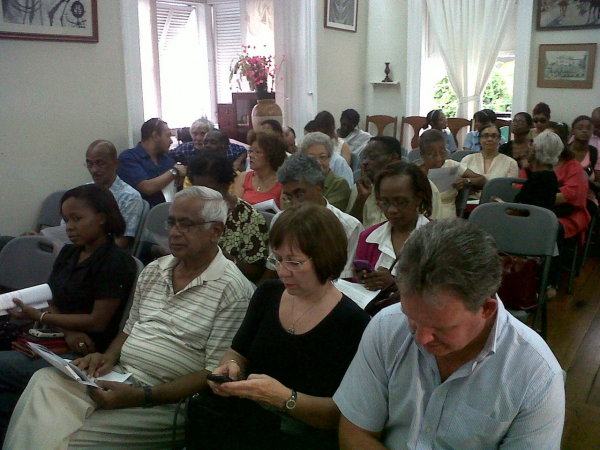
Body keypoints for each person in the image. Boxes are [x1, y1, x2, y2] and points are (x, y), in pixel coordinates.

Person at [3, 187, 255, 450]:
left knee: (64, 439)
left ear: (216, 231)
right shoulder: (155, 271)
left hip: (167, 401)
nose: (175, 232)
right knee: (45, 381)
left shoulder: (233, 291)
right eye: (171, 222)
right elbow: (130, 328)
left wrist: (142, 396)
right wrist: (108, 358)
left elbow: (213, 373)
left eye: (186, 224)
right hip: (121, 376)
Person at [334, 219, 565, 450]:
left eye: (442, 328)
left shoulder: (536, 376)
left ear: (486, 309)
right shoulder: (386, 326)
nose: (421, 339)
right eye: (411, 317)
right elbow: (355, 433)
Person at [206, 204, 371, 449]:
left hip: (301, 438)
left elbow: (338, 416)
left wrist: (284, 398)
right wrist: (231, 368)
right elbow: (238, 352)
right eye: (278, 259)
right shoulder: (268, 293)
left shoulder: (352, 322)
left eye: (295, 263)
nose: (283, 272)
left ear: (326, 258)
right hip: (245, 423)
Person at [0, 185, 137, 442]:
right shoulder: (69, 252)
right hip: (55, 339)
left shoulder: (116, 262)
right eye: (66, 220)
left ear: (102, 217)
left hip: (83, 356)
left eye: (77, 219)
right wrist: (66, 328)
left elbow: (97, 322)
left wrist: (40, 317)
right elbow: (52, 298)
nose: (69, 227)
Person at [271, 154, 364, 279]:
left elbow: (345, 280)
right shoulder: (279, 220)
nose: (294, 204)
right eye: (288, 197)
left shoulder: (349, 227)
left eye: (300, 194)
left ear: (319, 187)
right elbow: (273, 269)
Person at [354, 161, 432, 294]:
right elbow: (356, 287)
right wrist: (363, 280)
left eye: (400, 201)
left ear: (418, 198)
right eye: (384, 202)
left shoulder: (438, 238)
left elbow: (443, 291)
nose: (391, 210)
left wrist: (395, 285)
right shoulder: (368, 238)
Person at [188, 155, 269, 283]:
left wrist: (222, 257)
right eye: (197, 190)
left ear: (225, 186)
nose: (201, 196)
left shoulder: (248, 218)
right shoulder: (189, 211)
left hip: (228, 283)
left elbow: (255, 273)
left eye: (208, 190)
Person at [117, 118, 186, 207]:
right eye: (168, 136)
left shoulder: (167, 159)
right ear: (156, 136)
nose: (171, 141)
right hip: (141, 215)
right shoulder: (129, 158)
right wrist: (174, 172)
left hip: (167, 212)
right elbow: (147, 188)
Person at [419, 130, 485, 218]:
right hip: (424, 219)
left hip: (448, 221)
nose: (439, 159)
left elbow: (482, 180)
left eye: (442, 152)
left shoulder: (451, 165)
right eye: (432, 155)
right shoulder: (415, 173)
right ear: (422, 154)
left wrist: (465, 181)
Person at [346, 136, 401, 227]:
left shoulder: (415, 186)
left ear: (393, 158)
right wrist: (361, 198)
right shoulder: (361, 187)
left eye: (372, 156)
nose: (364, 162)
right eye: (364, 157)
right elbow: (351, 230)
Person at [462, 123, 519, 199]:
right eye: (485, 136)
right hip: (469, 204)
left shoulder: (511, 163)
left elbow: (509, 191)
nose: (490, 139)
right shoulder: (467, 159)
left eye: (494, 136)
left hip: (497, 205)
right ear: (480, 139)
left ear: (499, 139)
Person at [233, 131, 287, 210]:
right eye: (250, 151)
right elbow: (234, 209)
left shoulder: (282, 184)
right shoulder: (243, 177)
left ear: (270, 156)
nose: (251, 155)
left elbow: (284, 217)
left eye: (257, 152)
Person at [299, 132, 351, 210]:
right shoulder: (297, 181)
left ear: (329, 159)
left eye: (322, 157)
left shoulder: (339, 184)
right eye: (312, 158)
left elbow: (325, 215)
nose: (318, 162)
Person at [169, 118, 247, 168]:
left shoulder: (224, 147)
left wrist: (237, 162)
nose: (198, 138)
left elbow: (244, 150)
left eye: (203, 134)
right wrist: (177, 169)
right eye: (195, 134)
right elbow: (167, 156)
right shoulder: (185, 149)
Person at [515, 131, 560, 210]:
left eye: (530, 144)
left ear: (534, 150)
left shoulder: (536, 180)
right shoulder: (551, 176)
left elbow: (519, 211)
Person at [304, 120, 354, 186]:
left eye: (322, 157)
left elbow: (347, 188)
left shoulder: (338, 162)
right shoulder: (303, 161)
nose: (318, 162)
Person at [569, 115, 599, 211]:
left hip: (587, 199)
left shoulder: (595, 153)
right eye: (580, 127)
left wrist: (587, 183)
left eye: (589, 128)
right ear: (573, 130)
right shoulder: (563, 152)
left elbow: (598, 182)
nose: (585, 131)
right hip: (565, 197)